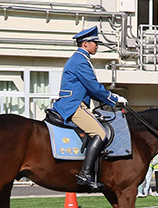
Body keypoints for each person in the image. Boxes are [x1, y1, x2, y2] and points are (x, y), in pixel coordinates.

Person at [52, 26, 126, 189]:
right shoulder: (80, 60)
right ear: (85, 43)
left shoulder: (80, 58)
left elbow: (88, 89)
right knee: (101, 133)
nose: (97, 46)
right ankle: (85, 174)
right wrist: (114, 99)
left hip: (78, 103)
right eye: (95, 43)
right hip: (73, 106)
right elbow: (93, 86)